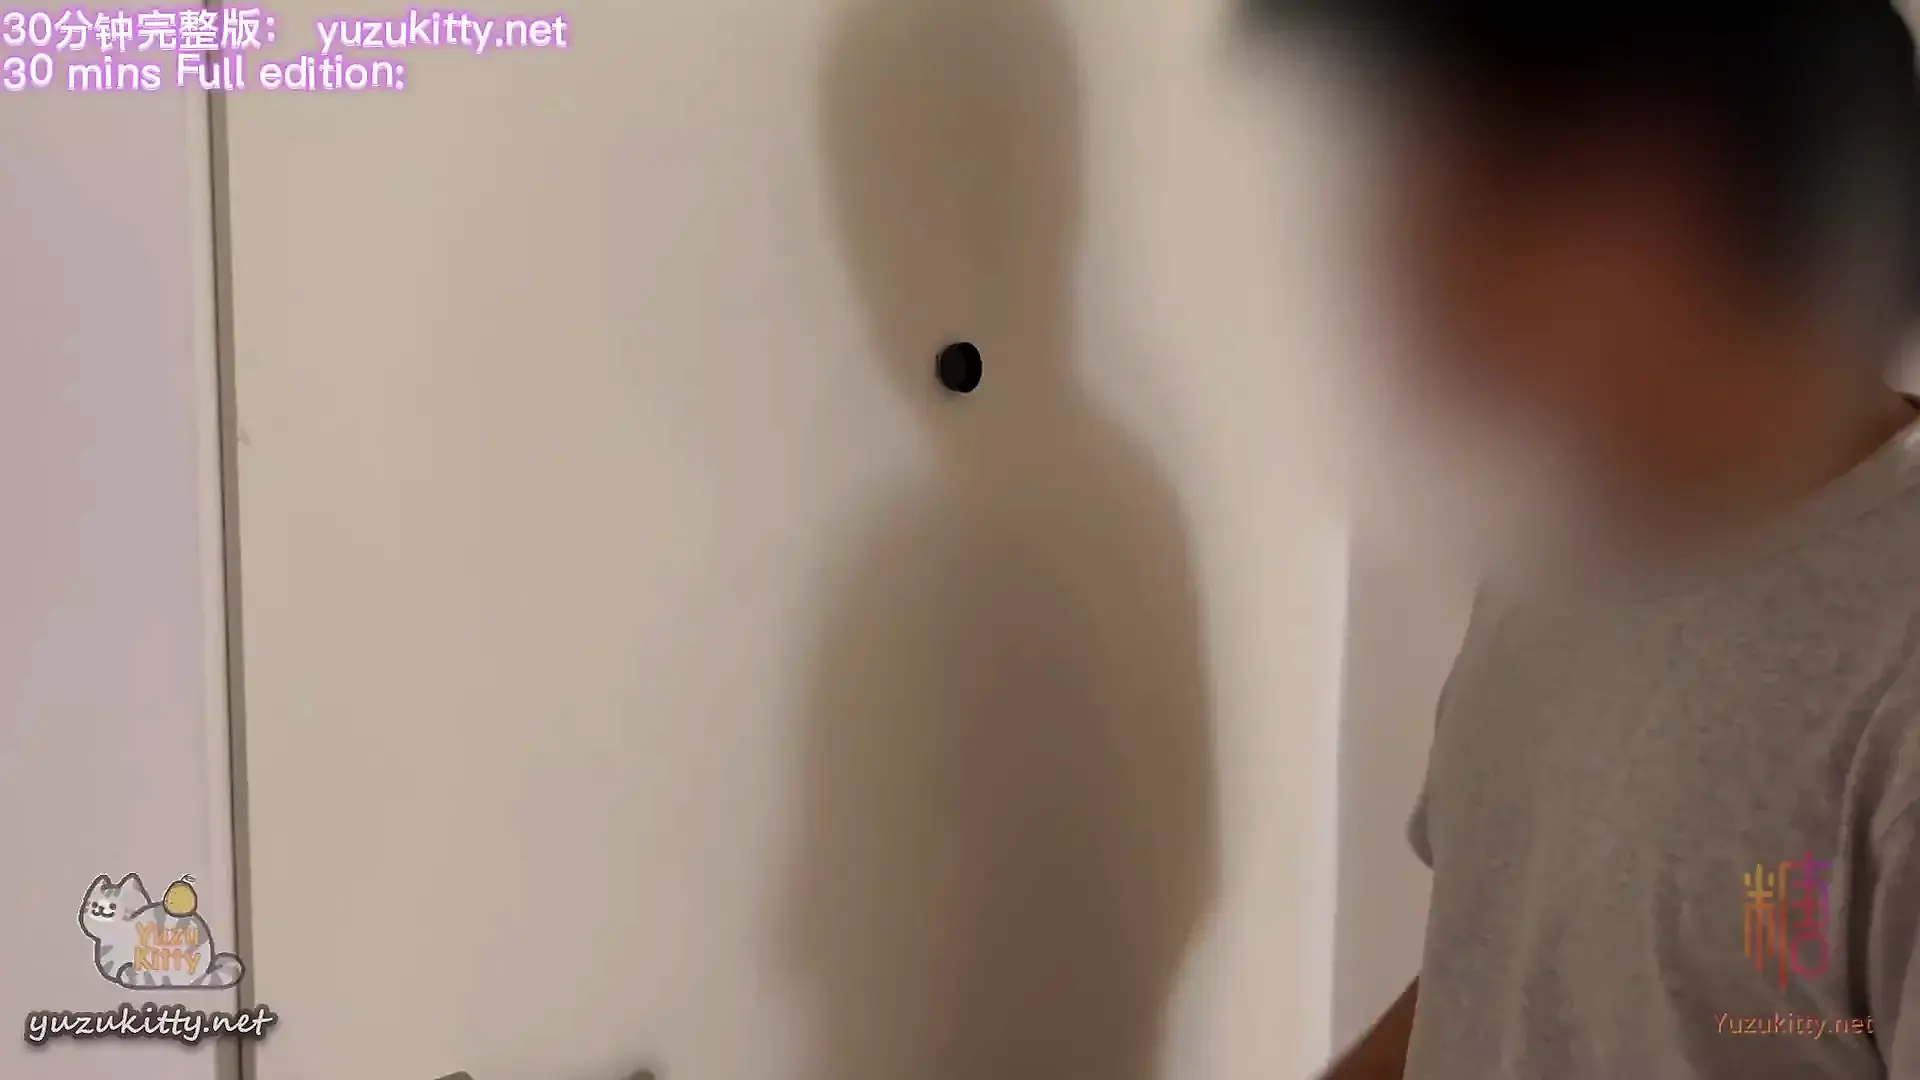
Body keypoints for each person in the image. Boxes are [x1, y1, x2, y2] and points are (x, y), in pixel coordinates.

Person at [1246, 4, 1920, 1078]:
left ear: (1657, 200)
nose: (1398, 255)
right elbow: (1495, 976)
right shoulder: (1548, 553)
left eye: (1460, 187)